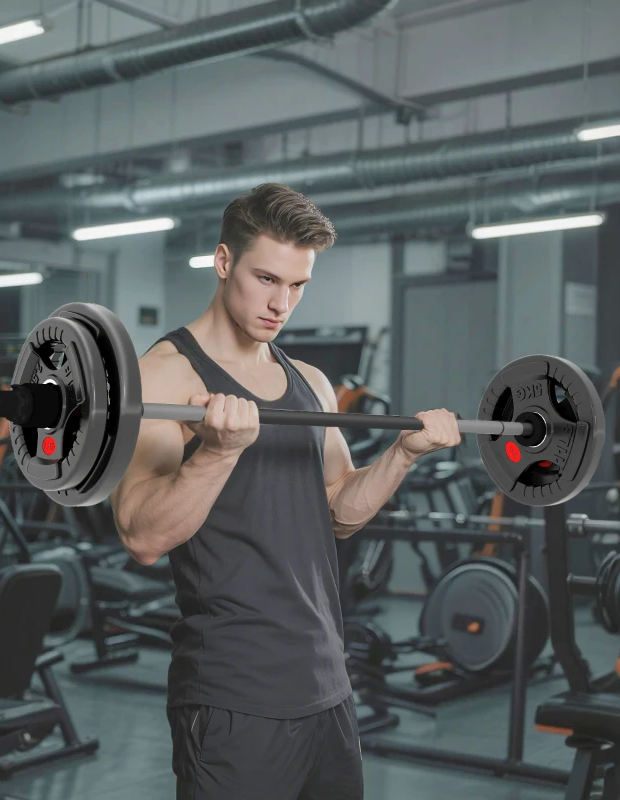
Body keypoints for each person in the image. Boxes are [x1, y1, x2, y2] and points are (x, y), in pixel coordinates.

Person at [112, 183, 460, 799]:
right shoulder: (162, 376)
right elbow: (142, 534)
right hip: (232, 697)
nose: (282, 303)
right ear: (224, 263)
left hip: (327, 687)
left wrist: (404, 453)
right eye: (267, 279)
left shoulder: (312, 384)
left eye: (297, 285)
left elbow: (338, 513)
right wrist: (217, 452)